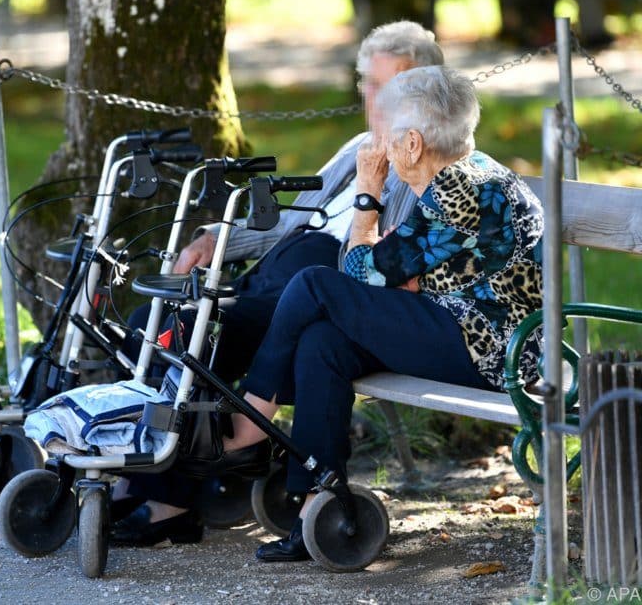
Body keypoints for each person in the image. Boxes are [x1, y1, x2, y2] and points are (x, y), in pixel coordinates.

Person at [112, 20, 446, 545]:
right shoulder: (358, 146)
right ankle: (144, 471)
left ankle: (167, 501)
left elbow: (389, 262)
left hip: (319, 297)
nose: (373, 98)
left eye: (386, 85)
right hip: (272, 281)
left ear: (423, 88)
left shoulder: (418, 162)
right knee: (146, 323)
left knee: (200, 332)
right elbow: (289, 223)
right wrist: (210, 242)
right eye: (368, 84)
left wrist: (375, 188)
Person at [222, 64, 545, 562]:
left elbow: (356, 272)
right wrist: (391, 267)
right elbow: (388, 272)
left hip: (496, 350)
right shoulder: (459, 176)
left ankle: (251, 417)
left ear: (412, 144)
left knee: (314, 285)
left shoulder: (459, 190)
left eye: (386, 134)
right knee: (322, 344)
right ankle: (318, 503)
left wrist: (368, 193)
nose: (379, 144)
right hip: (460, 326)